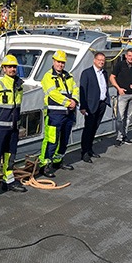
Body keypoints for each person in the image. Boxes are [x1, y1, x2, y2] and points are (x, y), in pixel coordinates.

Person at [0, 54, 27, 202]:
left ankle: (9, 181)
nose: (12, 69)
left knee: (11, 155)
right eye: (9, 67)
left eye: (14, 67)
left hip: (13, 128)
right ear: (4, 68)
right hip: (0, 129)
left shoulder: (19, 86)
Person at [39, 50, 79, 178]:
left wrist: (75, 100)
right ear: (54, 61)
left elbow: (75, 89)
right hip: (54, 114)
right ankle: (45, 165)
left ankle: (58, 161)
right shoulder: (48, 76)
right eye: (58, 62)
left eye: (62, 62)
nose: (60, 65)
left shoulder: (69, 76)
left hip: (68, 114)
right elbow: (53, 93)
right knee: (51, 140)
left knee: (64, 140)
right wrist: (69, 102)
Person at [79, 52, 110, 163]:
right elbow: (82, 91)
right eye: (99, 60)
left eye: (103, 60)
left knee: (94, 128)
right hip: (90, 105)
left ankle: (90, 149)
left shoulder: (104, 73)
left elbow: (104, 87)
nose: (101, 62)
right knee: (88, 129)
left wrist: (106, 99)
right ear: (94, 60)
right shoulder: (87, 73)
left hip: (101, 104)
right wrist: (83, 106)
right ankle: (84, 152)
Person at [109, 48, 132, 146]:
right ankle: (119, 137)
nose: (131, 58)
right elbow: (112, 77)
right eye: (129, 56)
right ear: (126, 56)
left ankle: (124, 135)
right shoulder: (120, 65)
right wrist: (118, 88)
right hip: (122, 95)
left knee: (128, 117)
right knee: (120, 117)